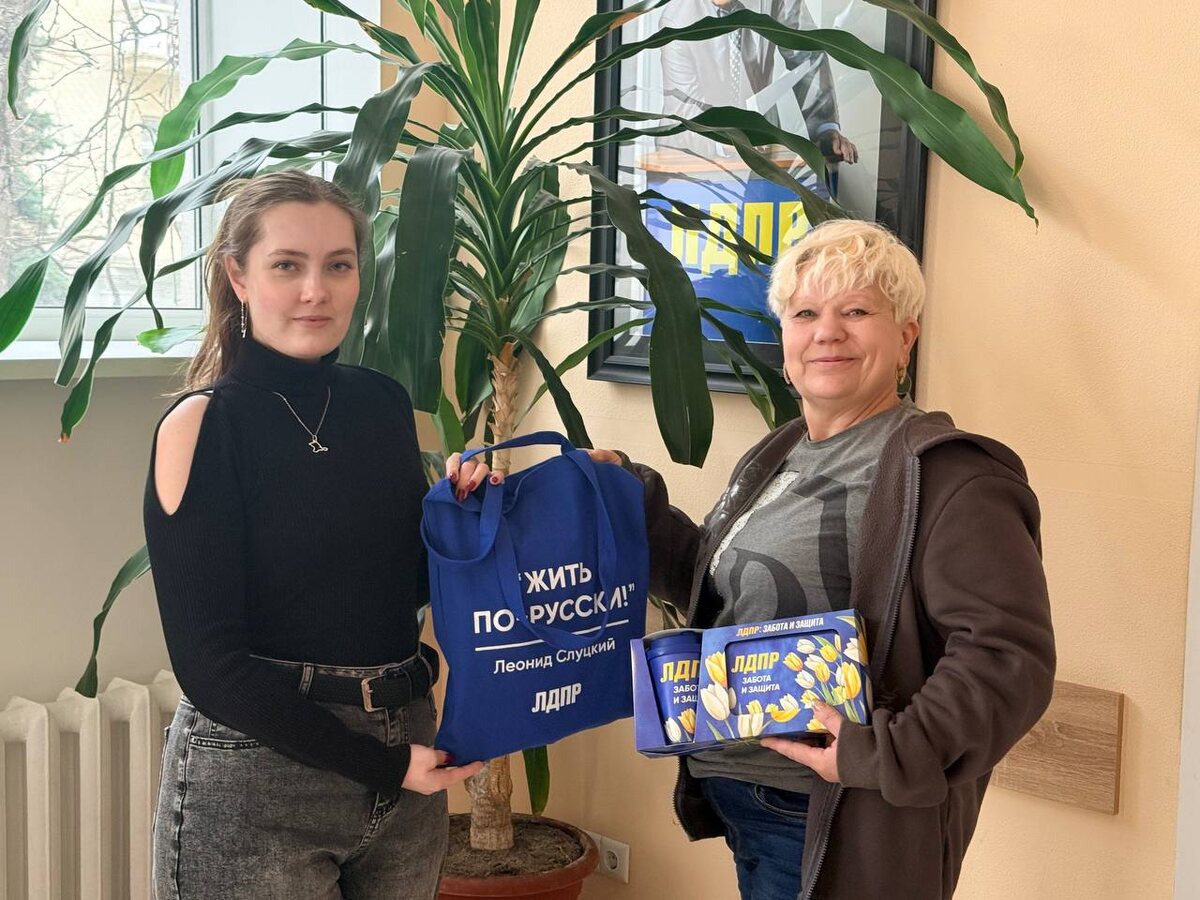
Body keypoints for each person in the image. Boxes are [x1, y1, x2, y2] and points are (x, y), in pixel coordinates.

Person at [591, 219, 1055, 899]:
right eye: (805, 314)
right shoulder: (778, 454)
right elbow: (717, 588)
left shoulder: (950, 475)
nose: (827, 333)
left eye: (857, 311)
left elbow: (1008, 660)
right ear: (785, 340)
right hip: (746, 799)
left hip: (830, 818)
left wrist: (879, 753)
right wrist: (622, 496)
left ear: (906, 337)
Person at [144, 170, 490, 898]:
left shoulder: (383, 404)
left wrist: (463, 516)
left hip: (406, 753)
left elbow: (399, 587)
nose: (316, 291)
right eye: (286, 265)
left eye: (338, 265)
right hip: (257, 782)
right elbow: (209, 664)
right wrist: (380, 765)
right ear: (237, 276)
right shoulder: (202, 426)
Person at [656, 0, 859, 167]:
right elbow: (686, 112)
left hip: (760, 148)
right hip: (689, 158)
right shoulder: (676, 19)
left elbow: (807, 56)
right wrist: (734, 141)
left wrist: (825, 129)